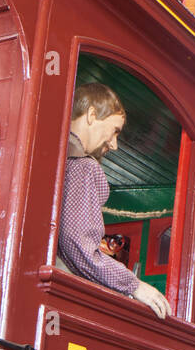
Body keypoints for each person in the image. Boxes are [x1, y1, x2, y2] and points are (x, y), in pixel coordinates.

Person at [58, 83, 171, 319]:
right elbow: (77, 245)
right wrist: (135, 285)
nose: (115, 144)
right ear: (91, 115)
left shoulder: (54, 154)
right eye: (115, 131)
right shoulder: (84, 167)